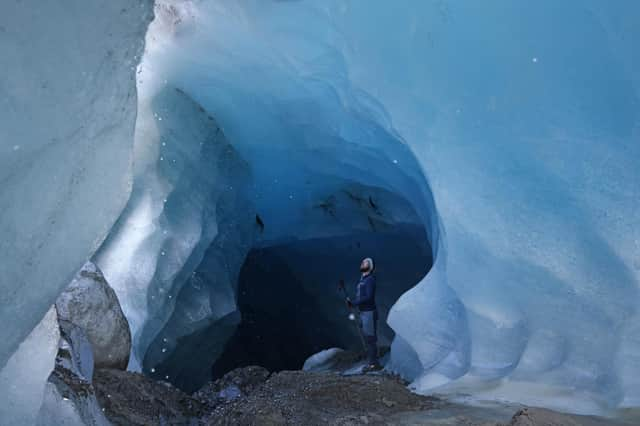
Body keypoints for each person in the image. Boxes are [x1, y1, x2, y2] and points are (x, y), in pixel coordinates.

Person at [347, 257, 382, 372]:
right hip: (364, 312)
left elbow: (368, 297)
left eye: (365, 262)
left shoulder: (369, 280)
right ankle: (372, 361)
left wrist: (354, 303)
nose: (362, 263)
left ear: (370, 267)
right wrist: (353, 303)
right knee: (368, 338)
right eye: (362, 262)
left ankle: (373, 364)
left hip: (369, 313)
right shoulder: (363, 279)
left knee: (370, 338)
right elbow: (362, 296)